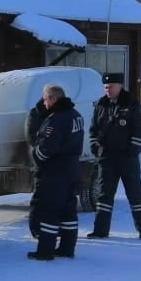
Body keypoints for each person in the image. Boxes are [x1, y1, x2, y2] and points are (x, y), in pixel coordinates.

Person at [88, 72, 141, 239]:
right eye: (105, 87)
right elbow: (93, 128)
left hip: (127, 158)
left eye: (111, 87)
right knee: (104, 195)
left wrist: (133, 150)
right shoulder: (101, 105)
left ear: (120, 86)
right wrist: (94, 145)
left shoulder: (132, 104)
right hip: (106, 158)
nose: (108, 90)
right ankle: (100, 230)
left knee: (135, 193)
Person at [28, 83, 84, 260]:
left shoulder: (57, 119)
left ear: (53, 99)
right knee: (68, 210)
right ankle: (67, 248)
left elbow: (47, 148)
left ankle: (45, 250)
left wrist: (35, 156)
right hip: (72, 168)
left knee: (49, 210)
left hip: (55, 171)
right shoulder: (76, 115)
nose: (44, 103)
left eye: (45, 99)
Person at [24, 94, 48, 239]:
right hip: (41, 161)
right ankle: (35, 228)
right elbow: (32, 137)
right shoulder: (35, 113)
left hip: (55, 162)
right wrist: (42, 152)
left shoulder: (56, 113)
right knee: (39, 196)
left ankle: (47, 227)